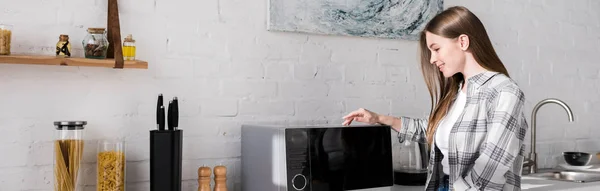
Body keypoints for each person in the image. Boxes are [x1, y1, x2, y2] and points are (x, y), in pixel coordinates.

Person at [342, 6, 528, 191]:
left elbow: (493, 163)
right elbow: (432, 130)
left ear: (463, 42)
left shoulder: (504, 91)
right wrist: (379, 119)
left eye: (436, 49)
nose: (432, 59)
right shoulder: (458, 91)